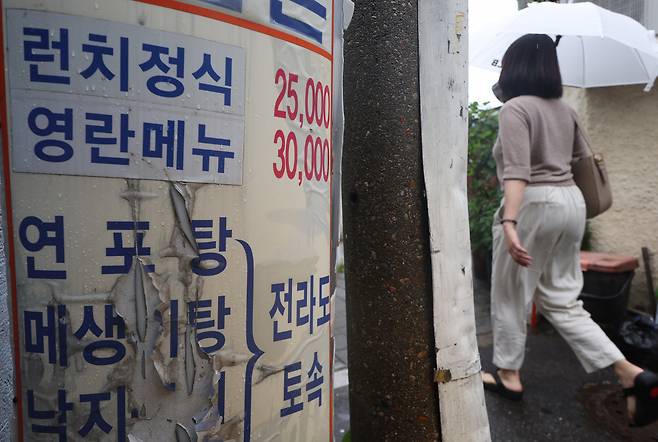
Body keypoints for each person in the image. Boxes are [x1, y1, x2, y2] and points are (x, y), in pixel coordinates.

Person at [481, 33, 658, 427]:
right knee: (563, 300)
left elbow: (517, 172)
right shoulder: (565, 110)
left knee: (512, 294)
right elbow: (581, 161)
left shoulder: (515, 109)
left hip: (533, 206)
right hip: (571, 204)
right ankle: (630, 373)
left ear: (515, 67)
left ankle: (508, 375)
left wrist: (509, 221)